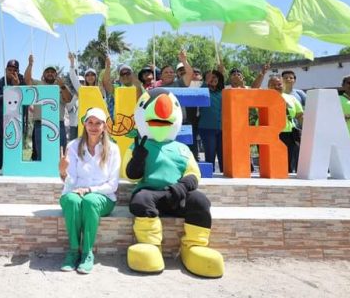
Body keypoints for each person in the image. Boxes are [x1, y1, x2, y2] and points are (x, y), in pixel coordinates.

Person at [126, 88, 224, 278]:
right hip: (152, 194)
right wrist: (137, 159)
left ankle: (194, 246)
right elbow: (131, 176)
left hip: (177, 193)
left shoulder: (182, 148)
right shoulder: (138, 145)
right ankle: (150, 244)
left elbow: (193, 175)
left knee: (200, 201)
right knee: (140, 200)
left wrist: (181, 186)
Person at [58, 107, 121, 274]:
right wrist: (63, 171)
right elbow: (69, 181)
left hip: (103, 197)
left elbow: (113, 184)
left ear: (104, 126)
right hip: (75, 193)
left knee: (90, 201)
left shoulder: (113, 149)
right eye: (90, 122)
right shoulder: (73, 146)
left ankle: (86, 253)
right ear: (84, 124)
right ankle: (73, 252)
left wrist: (89, 190)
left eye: (98, 123)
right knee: (72, 201)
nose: (93, 126)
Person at [25, 54, 73, 159]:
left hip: (58, 124)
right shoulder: (38, 84)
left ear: (56, 74)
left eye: (52, 72)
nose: (50, 74)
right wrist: (30, 64)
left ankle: (60, 175)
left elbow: (68, 99)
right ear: (43, 74)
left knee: (61, 155)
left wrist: (63, 86)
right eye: (47, 72)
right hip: (40, 125)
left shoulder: (61, 86)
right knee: (41, 155)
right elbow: (27, 80)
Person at [0, 59, 25, 170]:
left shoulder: (22, 80)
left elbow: (26, 97)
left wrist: (17, 87)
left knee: (14, 148)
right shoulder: (0, 82)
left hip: (16, 120)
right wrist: (6, 94)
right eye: (10, 69)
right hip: (0, 119)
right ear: (6, 70)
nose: (12, 72)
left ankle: (14, 170)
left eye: (15, 70)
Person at [269, 74, 303, 173]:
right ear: (268, 86)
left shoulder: (291, 98)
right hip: (271, 134)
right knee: (273, 164)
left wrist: (307, 129)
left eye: (279, 84)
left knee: (289, 163)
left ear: (283, 85)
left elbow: (300, 115)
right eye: (273, 84)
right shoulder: (264, 97)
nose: (276, 87)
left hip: (289, 134)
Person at [198, 69, 225, 173]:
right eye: (211, 77)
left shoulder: (221, 93)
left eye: (216, 77)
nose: (214, 79)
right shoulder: (203, 91)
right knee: (210, 155)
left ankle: (225, 176)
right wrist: (206, 82)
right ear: (206, 80)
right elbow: (202, 89)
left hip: (222, 129)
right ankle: (210, 177)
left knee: (223, 156)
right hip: (207, 128)